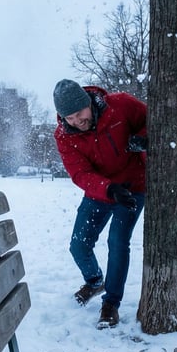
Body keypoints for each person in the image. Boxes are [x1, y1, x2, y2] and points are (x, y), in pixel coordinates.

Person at [53, 79, 147, 329]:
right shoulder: (64, 136)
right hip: (100, 191)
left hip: (132, 188)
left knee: (117, 242)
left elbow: (150, 120)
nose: (77, 121)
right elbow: (80, 173)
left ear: (88, 103)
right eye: (70, 117)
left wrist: (142, 138)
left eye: (79, 113)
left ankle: (111, 303)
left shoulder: (121, 105)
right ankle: (94, 281)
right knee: (78, 245)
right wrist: (107, 188)